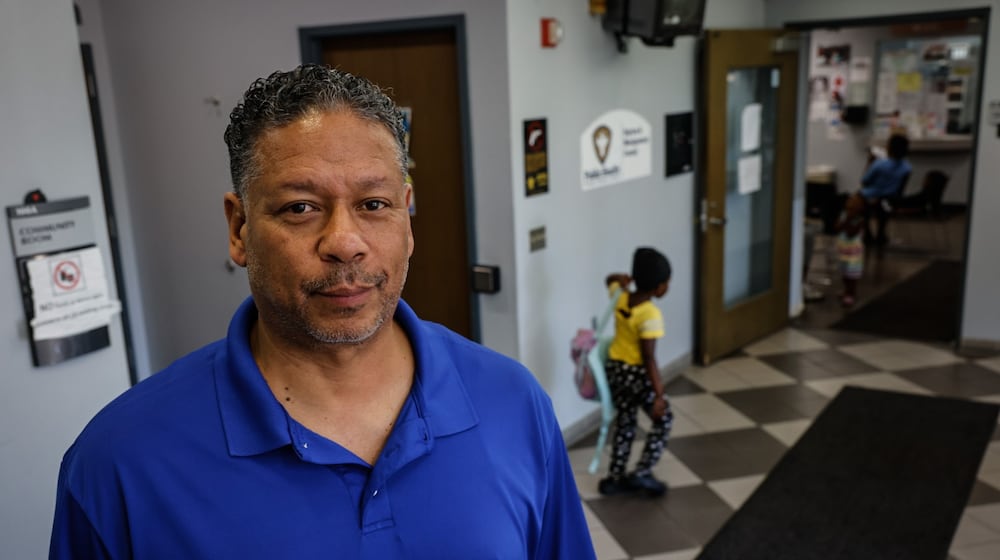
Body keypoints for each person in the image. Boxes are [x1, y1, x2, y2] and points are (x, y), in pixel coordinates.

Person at [49, 64, 595, 559]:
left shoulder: (513, 403)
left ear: (407, 218)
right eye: (300, 208)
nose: (344, 242)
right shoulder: (120, 461)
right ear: (239, 229)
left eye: (373, 204)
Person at [598, 247, 674, 498]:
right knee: (663, 420)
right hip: (637, 374)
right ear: (658, 287)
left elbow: (608, 280)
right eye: (666, 282)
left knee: (626, 422)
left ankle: (615, 477)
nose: (667, 286)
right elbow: (649, 358)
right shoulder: (651, 314)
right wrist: (659, 395)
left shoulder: (620, 296)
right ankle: (642, 472)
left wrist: (620, 278)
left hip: (616, 372)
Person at [860, 133, 912, 246]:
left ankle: (867, 233)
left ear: (889, 147)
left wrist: (869, 163)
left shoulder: (879, 164)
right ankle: (881, 233)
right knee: (883, 205)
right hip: (891, 201)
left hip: (871, 199)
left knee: (860, 202)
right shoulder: (907, 167)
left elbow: (865, 181)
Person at [836, 193, 866, 307]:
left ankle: (851, 293)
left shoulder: (859, 220)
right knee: (844, 273)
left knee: (852, 274)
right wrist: (844, 220)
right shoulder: (843, 215)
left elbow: (851, 233)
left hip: (854, 253)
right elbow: (837, 227)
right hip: (843, 250)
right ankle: (845, 290)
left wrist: (848, 220)